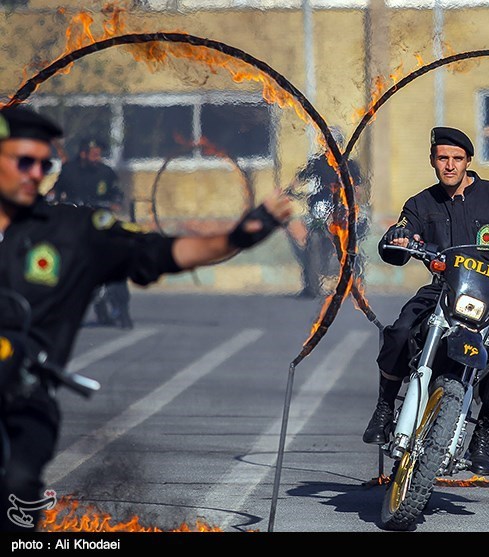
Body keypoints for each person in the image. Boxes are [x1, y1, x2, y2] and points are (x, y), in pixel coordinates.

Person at [0, 105, 292, 532]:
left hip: (24, 401)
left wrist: (238, 236)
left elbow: (165, 252)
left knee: (17, 493)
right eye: (23, 161)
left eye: (44, 164)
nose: (35, 173)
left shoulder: (74, 232)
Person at [362, 126, 489, 476]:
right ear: (433, 161)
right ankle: (384, 407)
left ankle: (484, 432)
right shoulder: (421, 204)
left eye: (457, 159)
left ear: (469, 161)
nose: (450, 165)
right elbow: (399, 240)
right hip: (441, 292)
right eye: (443, 158)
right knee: (397, 332)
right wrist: (399, 237)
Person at [49, 138, 132, 328]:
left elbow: (117, 193)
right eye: (93, 153)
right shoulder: (69, 170)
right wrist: (50, 197)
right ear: (83, 153)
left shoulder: (106, 172)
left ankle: (121, 307)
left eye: (99, 153)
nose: (97, 157)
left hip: (100, 222)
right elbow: (56, 191)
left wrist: (115, 202)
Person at [285, 128, 368, 298]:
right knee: (313, 242)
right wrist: (289, 190)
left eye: (334, 142)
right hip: (320, 210)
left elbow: (358, 189)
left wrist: (351, 197)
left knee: (350, 246)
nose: (330, 145)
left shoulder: (350, 165)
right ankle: (311, 287)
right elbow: (300, 178)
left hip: (342, 212)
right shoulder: (317, 162)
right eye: (327, 141)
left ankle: (355, 286)